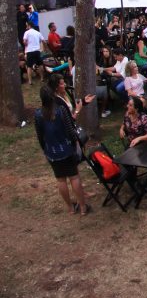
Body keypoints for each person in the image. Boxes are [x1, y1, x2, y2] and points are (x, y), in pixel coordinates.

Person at [34, 82, 90, 216]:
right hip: (66, 148)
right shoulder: (61, 110)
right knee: (74, 177)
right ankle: (82, 207)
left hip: (52, 151)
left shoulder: (38, 114)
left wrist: (45, 149)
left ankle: (70, 208)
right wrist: (75, 143)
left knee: (60, 179)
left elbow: (40, 135)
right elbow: (70, 130)